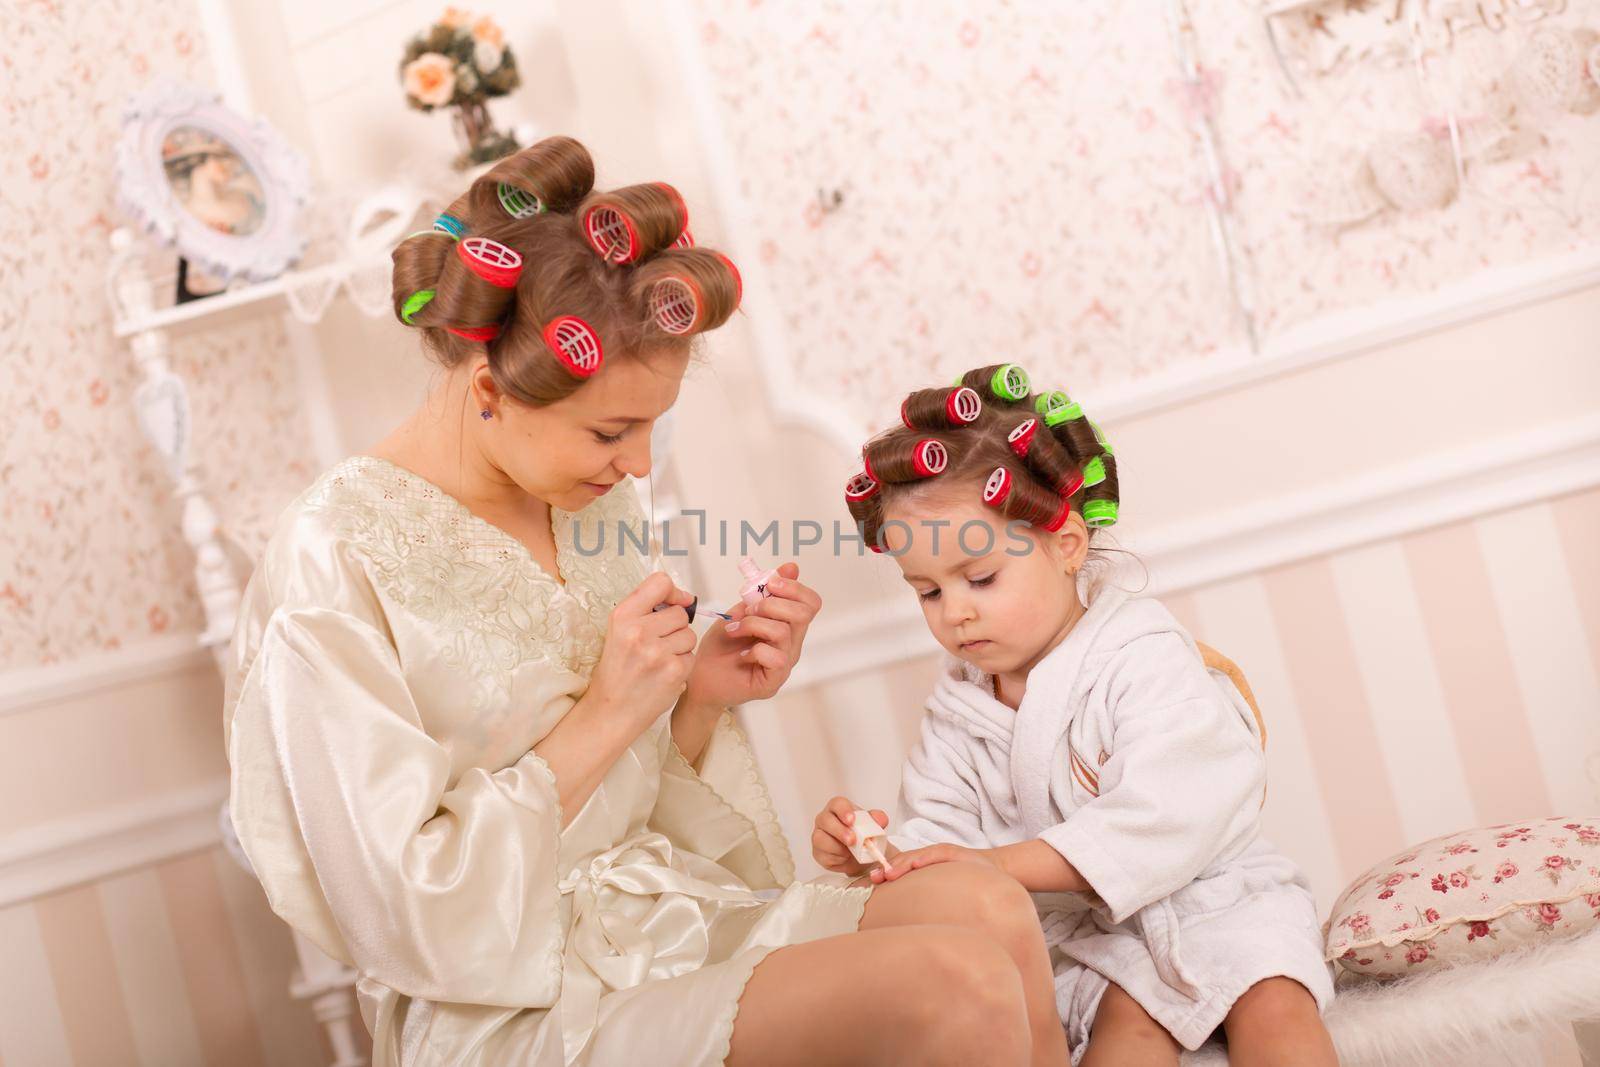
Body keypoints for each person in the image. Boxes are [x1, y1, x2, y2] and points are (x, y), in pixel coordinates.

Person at [224, 139, 1068, 1067]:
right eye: (612, 429)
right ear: (491, 390)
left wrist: (697, 695)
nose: (639, 466)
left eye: (652, 426)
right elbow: (401, 910)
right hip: (507, 1003)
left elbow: (643, 792)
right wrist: (610, 710)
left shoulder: (596, 506)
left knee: (988, 906)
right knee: (950, 982)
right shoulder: (332, 559)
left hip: (661, 918)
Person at [815, 367, 1338, 1066]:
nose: (956, 611)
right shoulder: (959, 708)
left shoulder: (1142, 655)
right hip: (1098, 941)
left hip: (1218, 900)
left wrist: (999, 862)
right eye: (927, 592)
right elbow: (942, 841)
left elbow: (1168, 811)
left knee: (1275, 997)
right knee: (1128, 1024)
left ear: (1067, 544)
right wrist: (880, 853)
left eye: (980, 578)